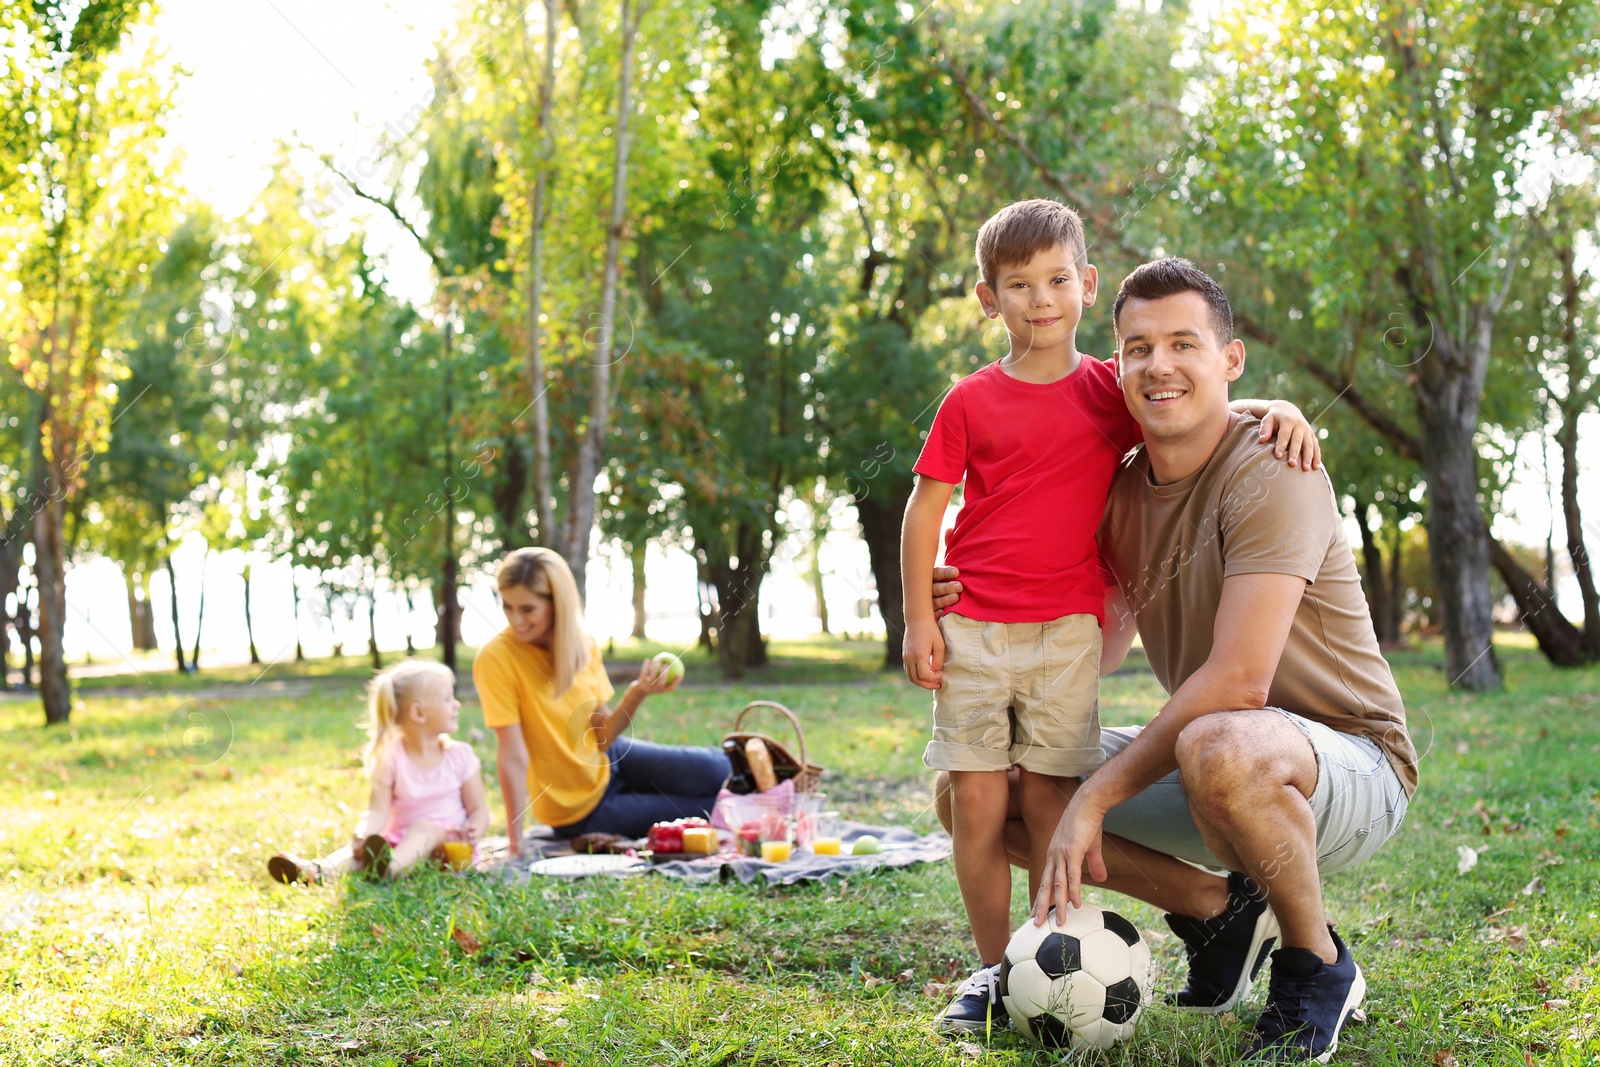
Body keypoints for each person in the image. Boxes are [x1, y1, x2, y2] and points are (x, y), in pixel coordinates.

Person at [929, 257, 1417, 1063]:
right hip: (1215, 762)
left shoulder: (1276, 466)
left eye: (1184, 343)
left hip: (1348, 764)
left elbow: (1239, 682)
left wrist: (1092, 801)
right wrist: (962, 589)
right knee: (978, 790)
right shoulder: (1118, 489)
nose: (1159, 365)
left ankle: (1317, 963)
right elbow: (1101, 631)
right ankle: (1221, 913)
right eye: (1138, 348)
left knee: (1218, 739)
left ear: (1231, 361)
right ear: (1115, 366)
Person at [474, 547, 731, 853]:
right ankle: (768, 804)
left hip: (611, 760)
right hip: (579, 811)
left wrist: (638, 692)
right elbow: (513, 756)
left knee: (721, 769)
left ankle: (785, 787)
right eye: (508, 606)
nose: (516, 619)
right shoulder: (495, 658)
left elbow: (603, 739)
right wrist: (515, 845)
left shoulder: (582, 644)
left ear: (558, 603)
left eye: (528, 609)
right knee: (712, 806)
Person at [268, 660, 489, 883]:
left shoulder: (460, 756)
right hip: (400, 842)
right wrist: (365, 832)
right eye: (448, 698)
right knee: (363, 850)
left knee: (424, 829)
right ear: (419, 712)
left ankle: (388, 871)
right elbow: (377, 811)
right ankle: (320, 871)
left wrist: (476, 829)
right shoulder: (391, 756)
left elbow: (479, 808)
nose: (457, 704)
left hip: (451, 850)